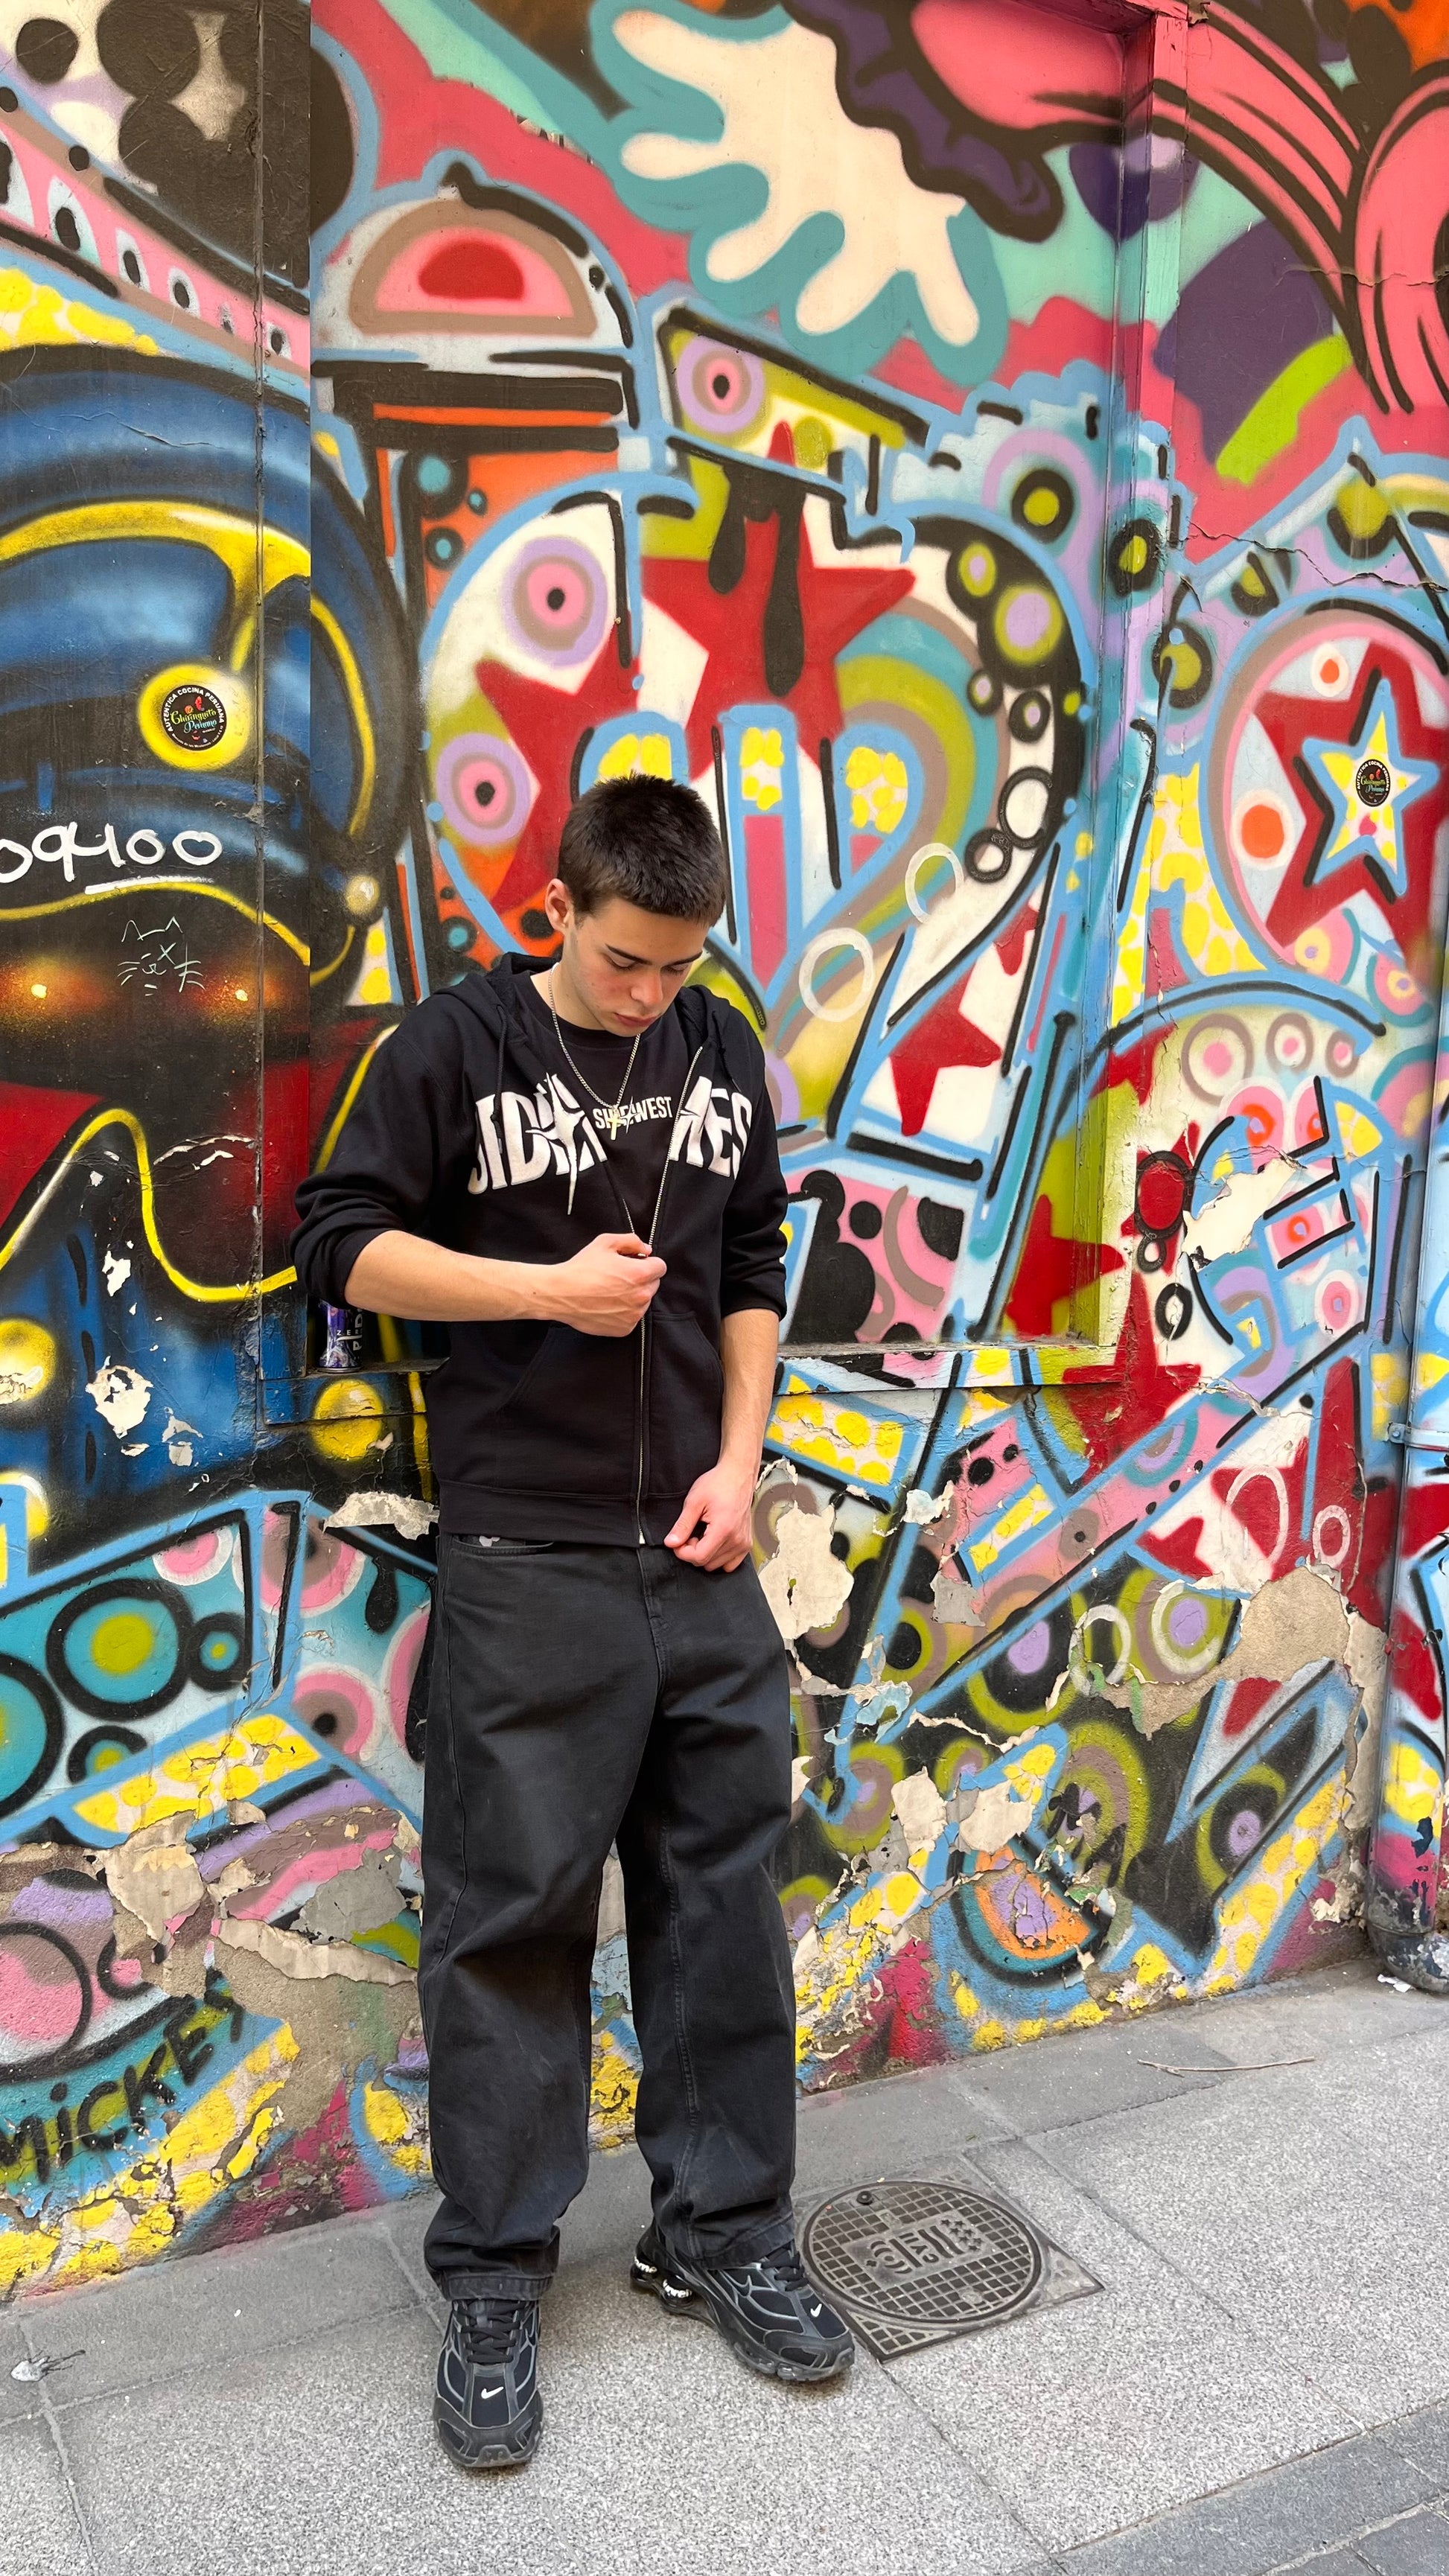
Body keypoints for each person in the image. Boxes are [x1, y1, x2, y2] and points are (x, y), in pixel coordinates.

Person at [290, 774, 853, 2469]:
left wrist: (742, 1462)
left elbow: (750, 1264)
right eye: (624, 961)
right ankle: (491, 2277)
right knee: (510, 1920)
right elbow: (341, 1249)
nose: (650, 994)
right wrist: (541, 1289)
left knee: (724, 1905)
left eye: (680, 966)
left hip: (699, 1549)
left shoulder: (718, 1049)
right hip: (527, 1552)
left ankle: (722, 2231)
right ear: (558, 910)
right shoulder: (452, 1048)